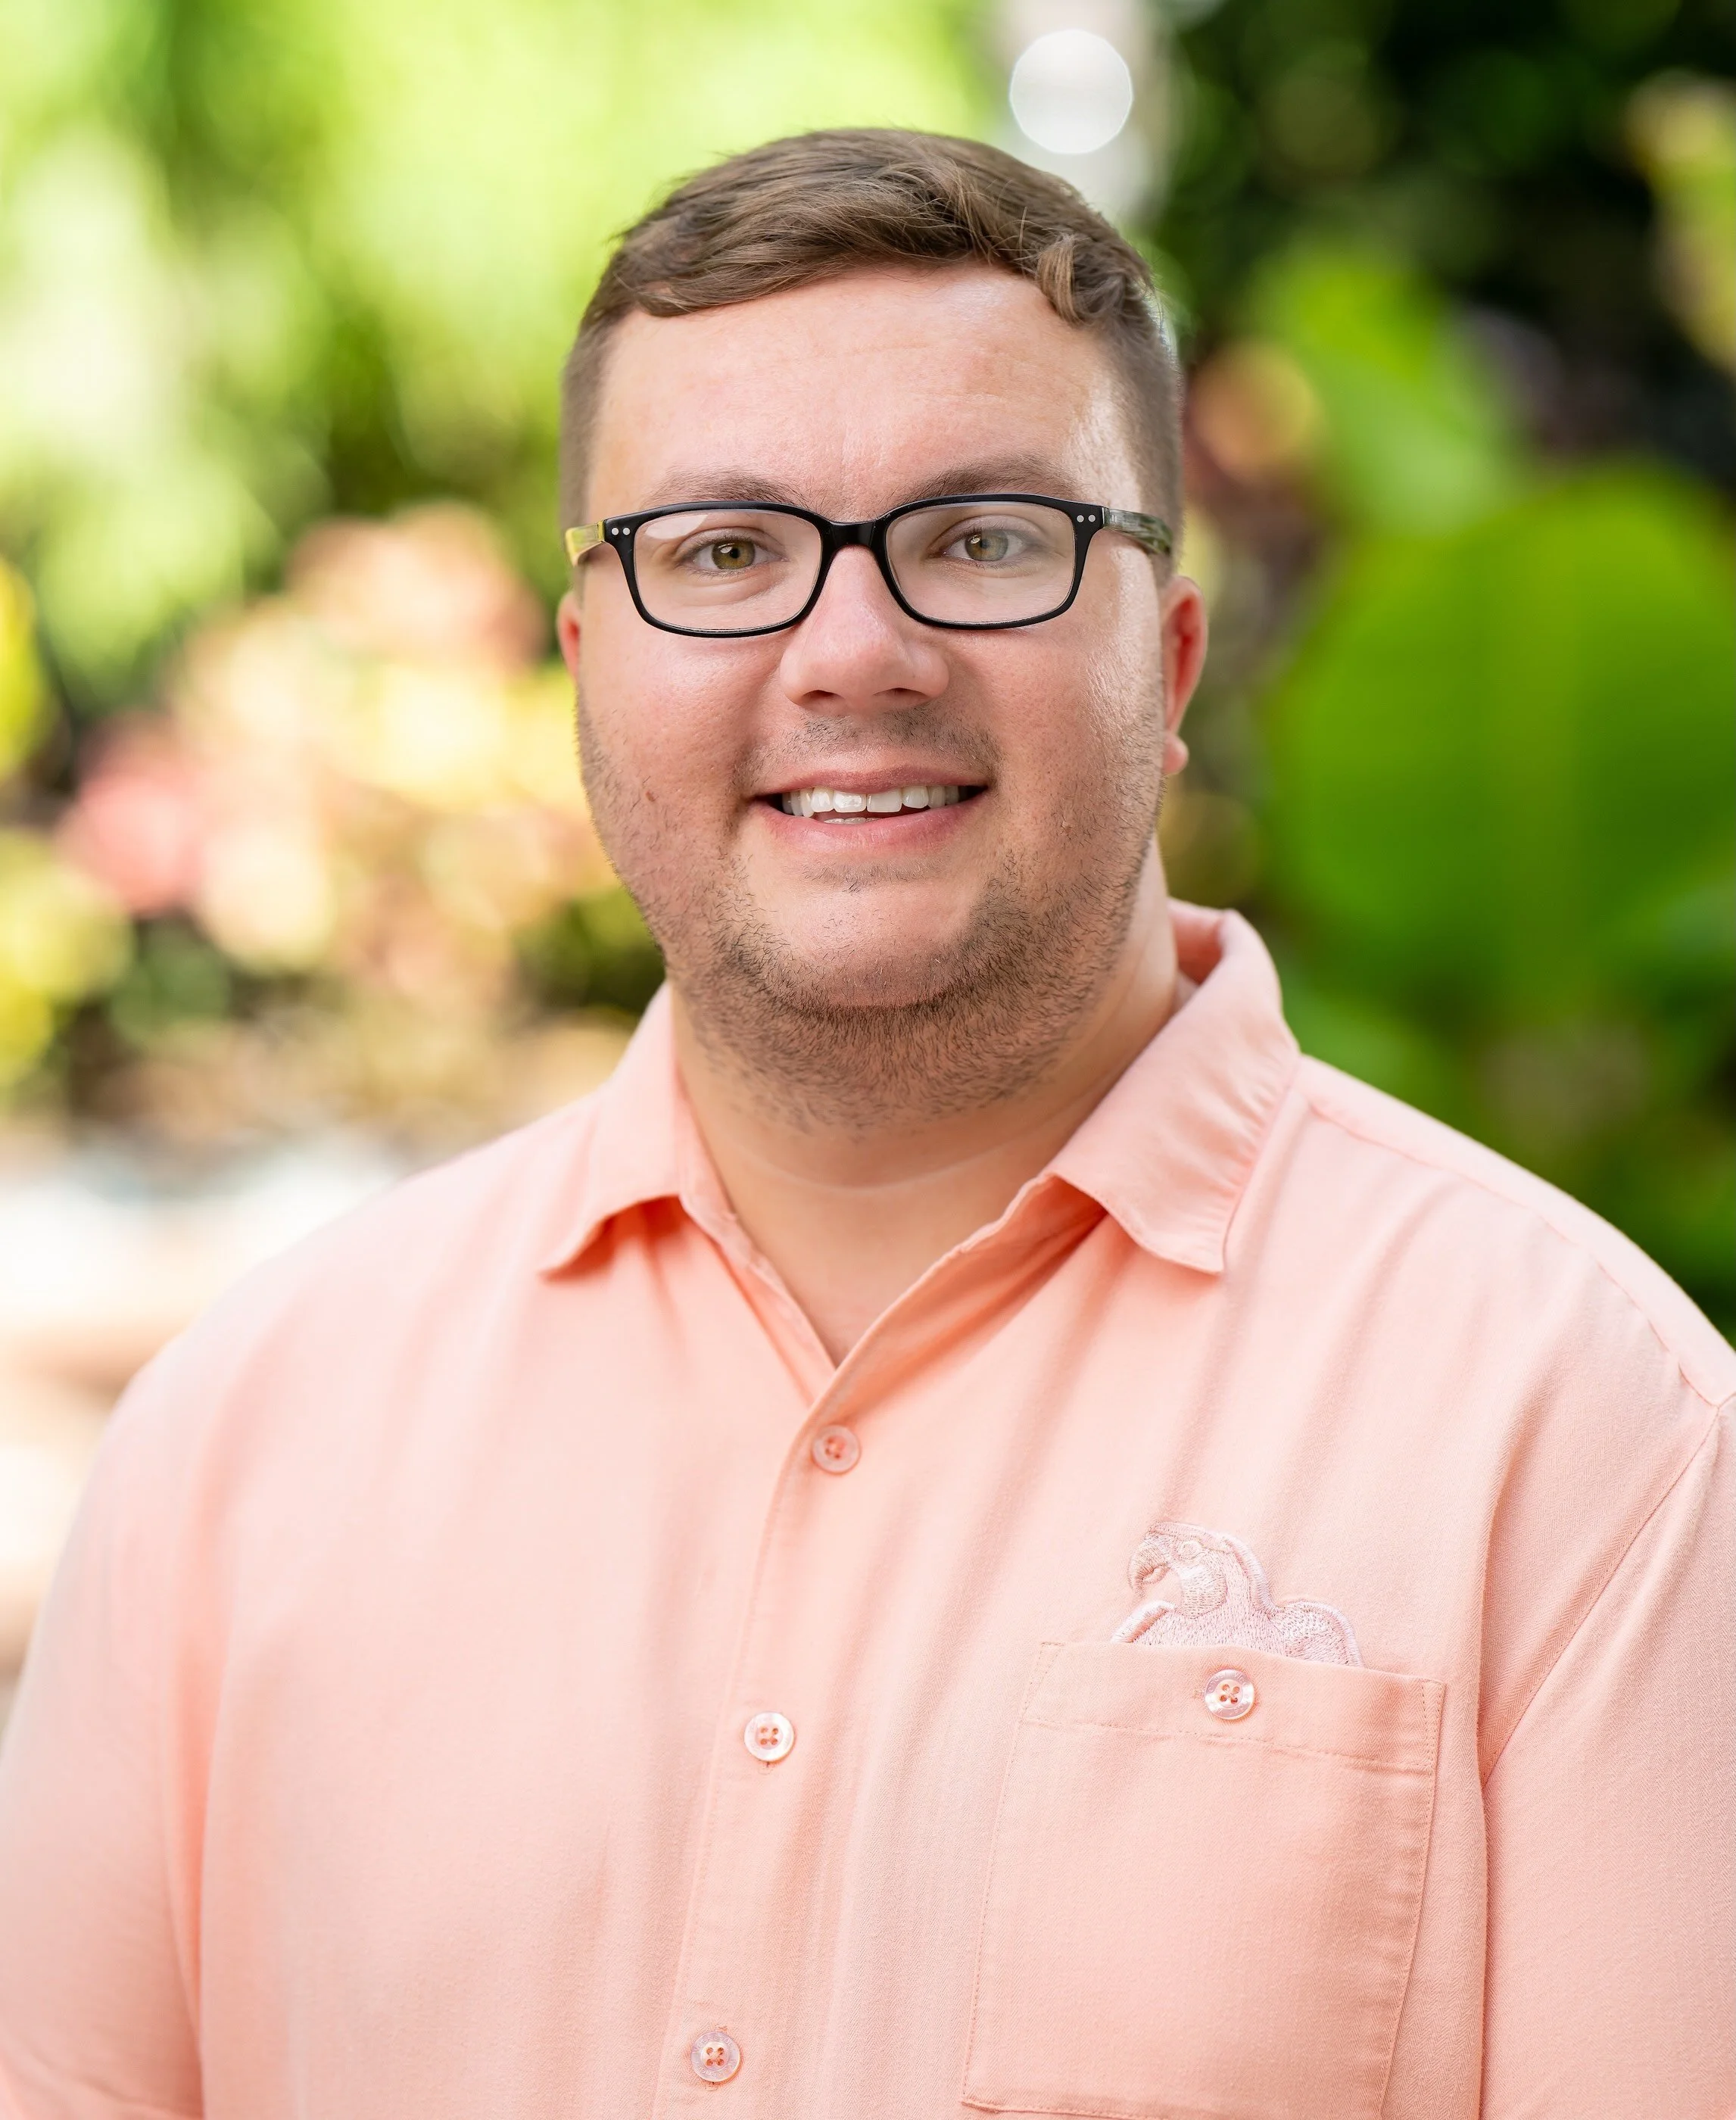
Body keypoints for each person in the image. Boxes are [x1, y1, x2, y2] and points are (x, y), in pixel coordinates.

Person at [0, 129, 1728, 2120]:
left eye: (985, 538)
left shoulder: (1587, 1440)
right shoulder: (247, 1439)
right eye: (721, 553)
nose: (851, 654)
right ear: (587, 669)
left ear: (1161, 660)